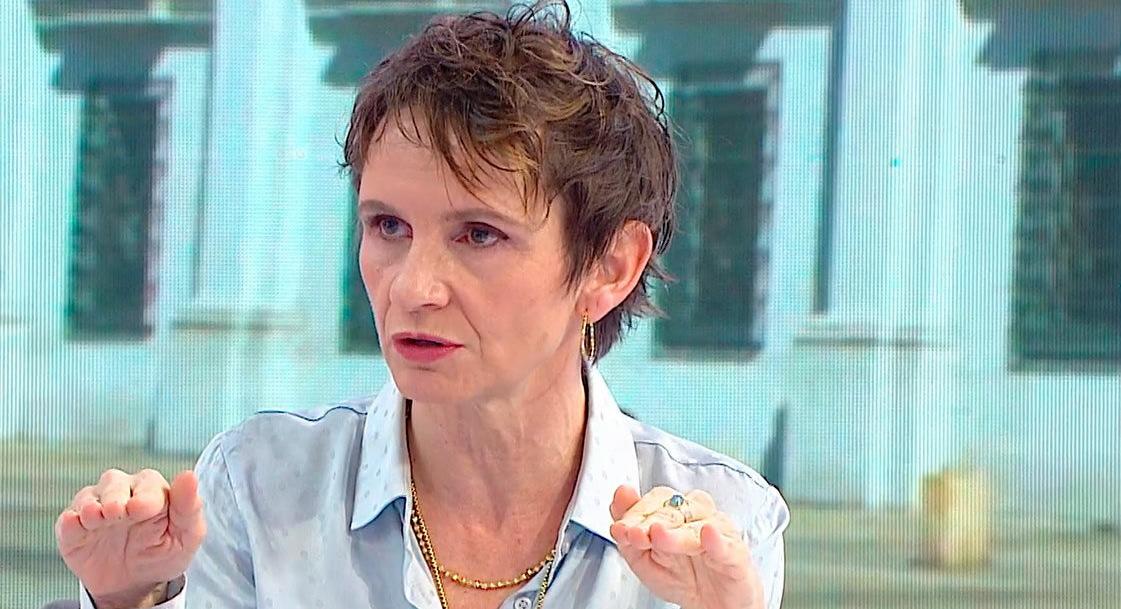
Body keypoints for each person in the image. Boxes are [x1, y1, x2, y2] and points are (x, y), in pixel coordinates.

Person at [54, 2, 790, 608]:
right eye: (388, 226)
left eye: (479, 234)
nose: (412, 286)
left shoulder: (720, 525)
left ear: (610, 265)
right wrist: (126, 600)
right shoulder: (260, 484)